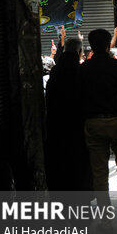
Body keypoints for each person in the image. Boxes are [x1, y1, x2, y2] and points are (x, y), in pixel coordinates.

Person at [79, 29, 117, 218]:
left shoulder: (83, 69)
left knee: (99, 173)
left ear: (91, 46)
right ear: (109, 44)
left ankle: (106, 219)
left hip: (93, 123)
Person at [45, 37, 91, 193]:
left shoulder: (55, 72)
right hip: (78, 127)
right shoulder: (82, 72)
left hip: (56, 126)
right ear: (79, 52)